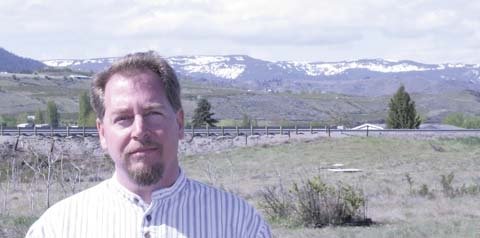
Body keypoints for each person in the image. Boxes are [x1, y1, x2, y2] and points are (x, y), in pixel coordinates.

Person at [26, 52, 272, 238]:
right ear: (102, 133)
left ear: (180, 123)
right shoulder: (58, 228)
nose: (140, 131)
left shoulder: (239, 224)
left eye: (153, 113)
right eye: (123, 118)